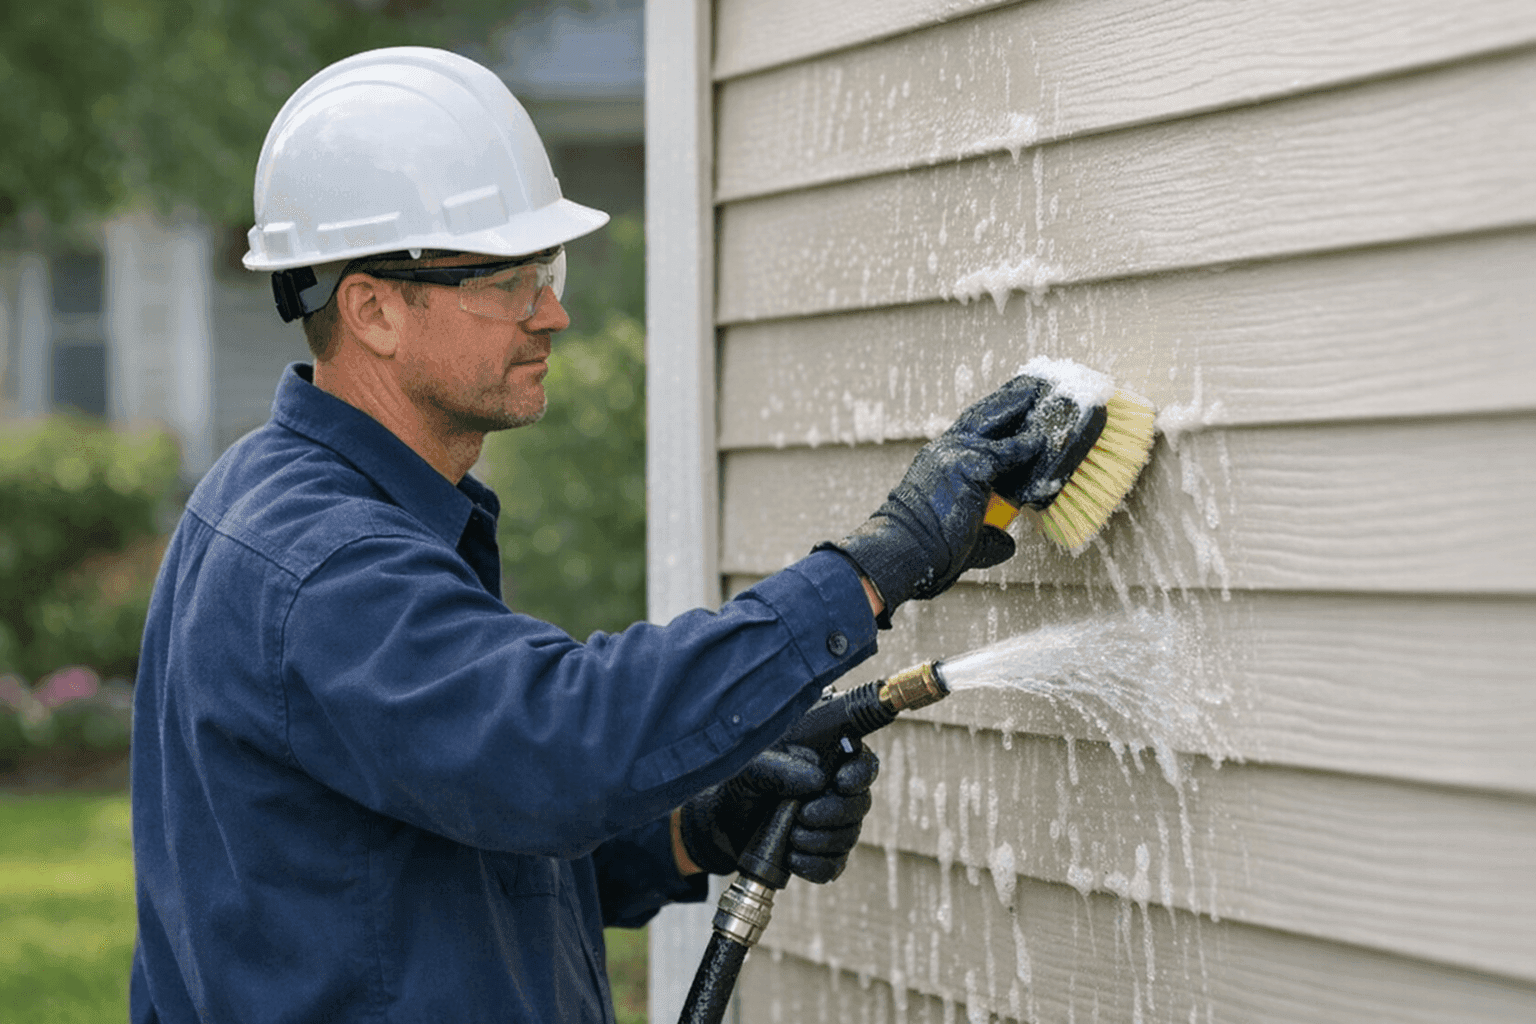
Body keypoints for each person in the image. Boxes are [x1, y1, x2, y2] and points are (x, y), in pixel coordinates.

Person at [129, 48, 1099, 1024]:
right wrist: (876, 566)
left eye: (543, 270)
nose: (554, 310)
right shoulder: (322, 564)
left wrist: (692, 827)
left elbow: (441, 843)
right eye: (508, 279)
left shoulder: (306, 505)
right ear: (374, 308)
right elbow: (554, 745)